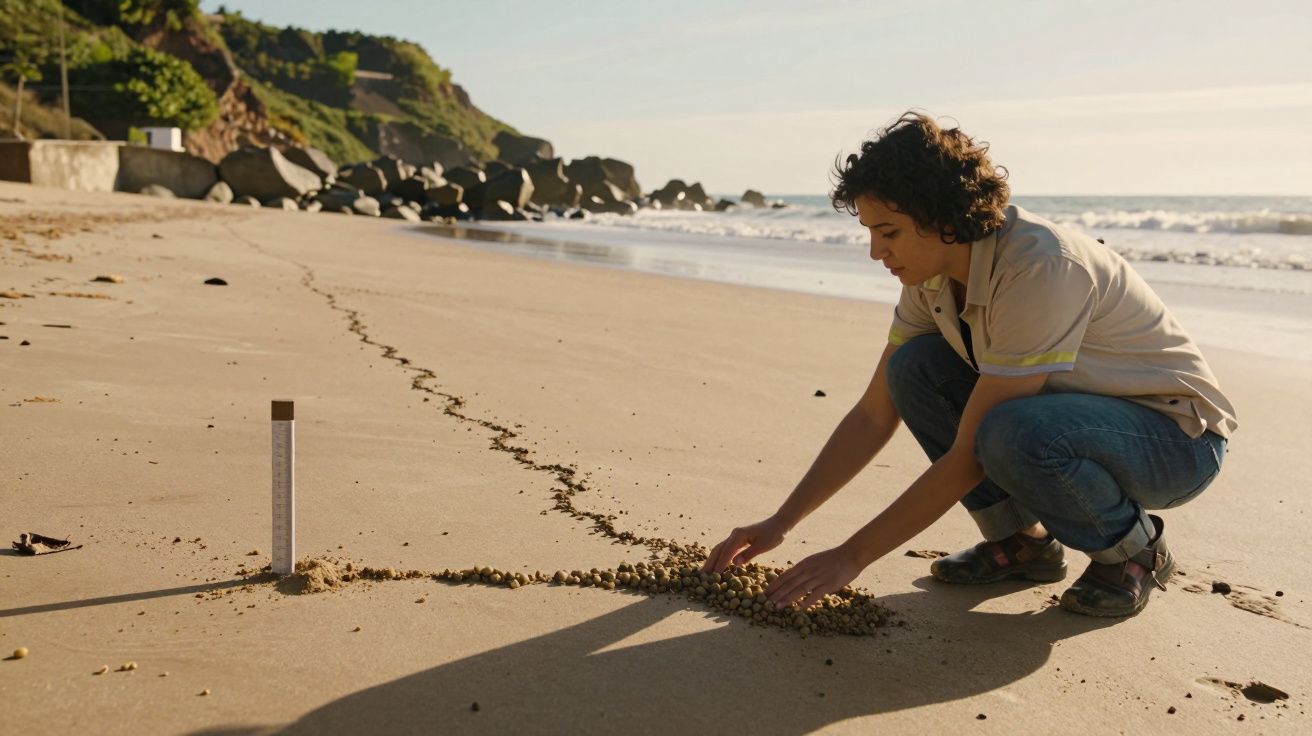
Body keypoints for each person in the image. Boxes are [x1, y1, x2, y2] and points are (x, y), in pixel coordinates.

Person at [701, 111, 1237, 618]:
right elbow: (872, 415)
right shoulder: (931, 274)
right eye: (869, 231)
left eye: (888, 232)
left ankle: (1134, 551)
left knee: (1007, 431)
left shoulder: (1038, 267)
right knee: (914, 368)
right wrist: (782, 522)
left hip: (1175, 443)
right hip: (1061, 420)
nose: (874, 252)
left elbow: (970, 455)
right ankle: (1021, 543)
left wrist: (852, 556)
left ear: (943, 217)